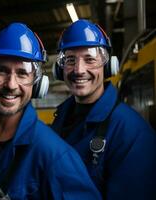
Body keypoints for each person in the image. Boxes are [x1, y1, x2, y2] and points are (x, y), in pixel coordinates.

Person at [0, 22, 101, 200]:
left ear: (37, 85)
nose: (11, 85)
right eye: (1, 71)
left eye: (22, 73)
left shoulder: (54, 155)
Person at [51, 19, 156, 200]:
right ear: (59, 70)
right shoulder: (61, 119)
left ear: (107, 66)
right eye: (70, 60)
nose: (79, 70)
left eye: (90, 59)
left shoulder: (133, 134)